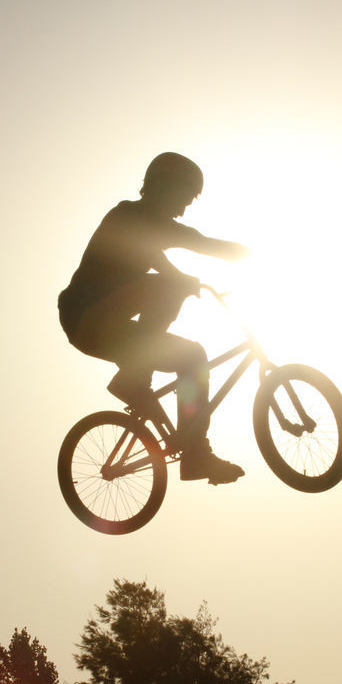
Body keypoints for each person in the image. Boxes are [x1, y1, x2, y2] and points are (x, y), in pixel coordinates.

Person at [58, 152, 249, 484]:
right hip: (84, 316)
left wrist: (251, 255)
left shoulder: (164, 228)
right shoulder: (126, 215)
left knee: (193, 357)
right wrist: (179, 279)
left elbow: (203, 244)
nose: (185, 207)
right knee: (167, 286)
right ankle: (135, 377)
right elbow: (144, 250)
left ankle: (195, 455)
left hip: (112, 329)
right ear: (165, 187)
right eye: (184, 197)